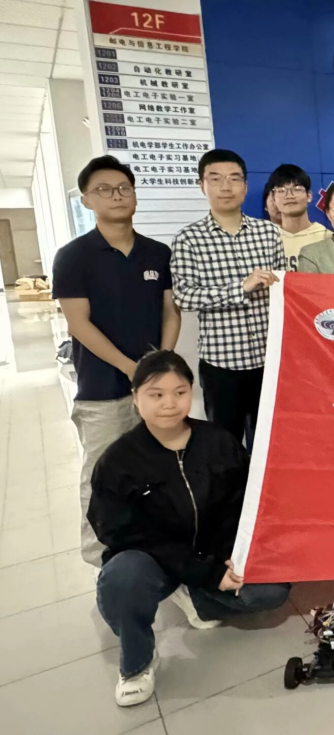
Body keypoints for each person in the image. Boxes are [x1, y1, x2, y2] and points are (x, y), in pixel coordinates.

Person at [89, 350, 291, 707]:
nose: (169, 404)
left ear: (191, 392)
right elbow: (122, 534)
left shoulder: (218, 441)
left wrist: (231, 556)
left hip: (212, 553)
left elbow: (246, 502)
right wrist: (203, 571)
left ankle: (195, 597)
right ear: (135, 397)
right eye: (156, 394)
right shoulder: (118, 462)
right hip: (156, 559)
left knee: (271, 590)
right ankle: (137, 662)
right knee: (122, 579)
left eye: (179, 392)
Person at [53, 155, 182, 567]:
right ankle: (102, 558)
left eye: (124, 188)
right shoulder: (73, 256)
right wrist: (131, 369)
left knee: (156, 471)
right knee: (102, 472)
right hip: (103, 390)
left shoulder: (157, 253)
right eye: (104, 190)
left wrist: (161, 363)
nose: (117, 196)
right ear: (87, 200)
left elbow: (170, 312)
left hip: (155, 389)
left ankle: (155, 549)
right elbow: (78, 324)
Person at [171, 149, 285, 446]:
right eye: (215, 179)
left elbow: (283, 290)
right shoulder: (188, 238)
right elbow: (184, 296)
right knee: (224, 445)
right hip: (222, 365)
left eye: (234, 179)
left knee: (269, 442)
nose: (226, 187)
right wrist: (240, 288)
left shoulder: (268, 233)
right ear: (202, 185)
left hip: (268, 360)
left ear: (245, 186)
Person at [269, 163, 328, 271]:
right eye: (281, 191)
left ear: (309, 196)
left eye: (296, 189)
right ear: (273, 198)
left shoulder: (326, 237)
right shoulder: (268, 239)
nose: (289, 196)